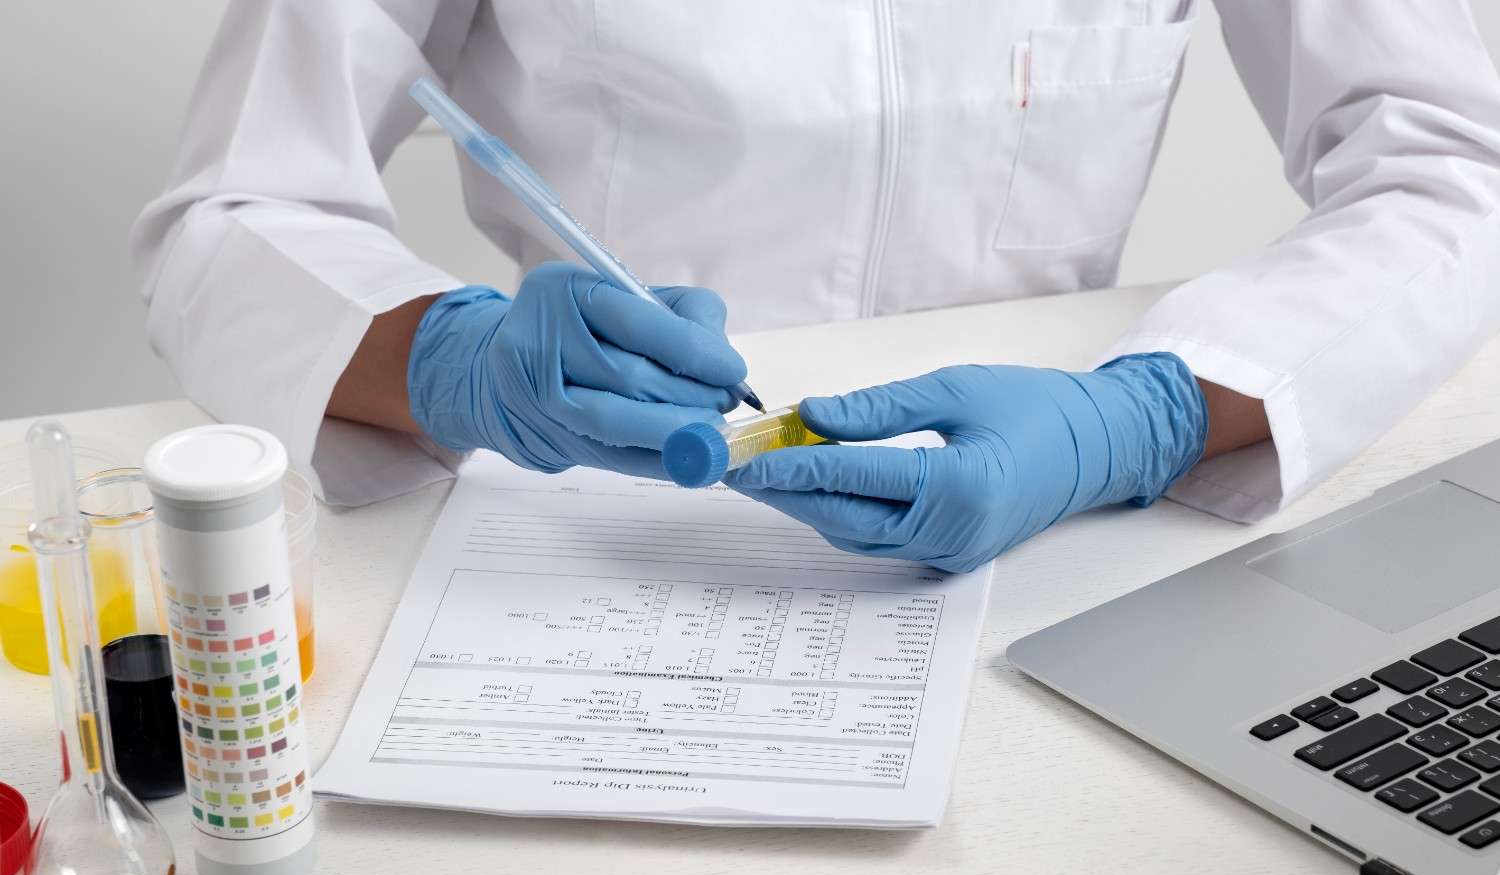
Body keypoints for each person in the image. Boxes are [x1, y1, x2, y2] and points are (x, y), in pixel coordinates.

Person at [132, 2, 1500, 572]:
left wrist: (1144, 419)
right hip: (599, 541)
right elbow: (230, 215)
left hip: (1074, 540)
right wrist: (455, 358)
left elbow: (1457, 166)